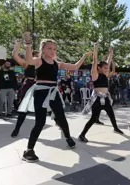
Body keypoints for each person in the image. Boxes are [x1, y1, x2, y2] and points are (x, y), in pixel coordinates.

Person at [19, 32, 91, 162]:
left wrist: (84, 56)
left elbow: (75, 67)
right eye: (49, 48)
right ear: (43, 49)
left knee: (62, 117)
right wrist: (28, 44)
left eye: (54, 49)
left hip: (53, 92)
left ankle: (68, 138)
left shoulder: (57, 64)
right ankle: (29, 150)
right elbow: (29, 60)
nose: (52, 51)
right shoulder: (39, 61)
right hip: (41, 92)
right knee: (40, 122)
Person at [79, 46, 124, 142]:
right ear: (98, 68)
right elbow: (95, 61)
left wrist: (111, 54)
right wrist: (96, 48)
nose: (107, 69)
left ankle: (115, 128)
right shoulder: (95, 75)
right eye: (105, 68)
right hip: (97, 99)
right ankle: (82, 135)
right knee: (93, 118)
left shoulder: (105, 75)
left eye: (107, 68)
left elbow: (108, 62)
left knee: (111, 114)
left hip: (106, 98)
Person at [11, 40, 40, 137]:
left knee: (45, 107)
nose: (38, 57)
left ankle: (62, 127)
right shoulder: (27, 64)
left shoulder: (42, 64)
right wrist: (17, 45)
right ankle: (16, 129)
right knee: (24, 109)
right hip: (29, 85)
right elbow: (15, 55)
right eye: (36, 55)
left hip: (40, 86)